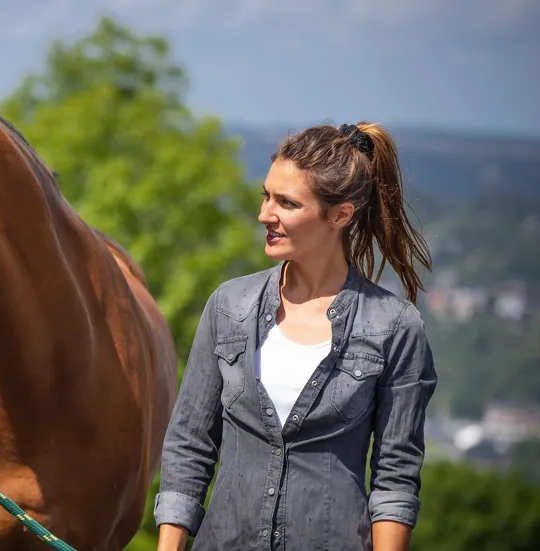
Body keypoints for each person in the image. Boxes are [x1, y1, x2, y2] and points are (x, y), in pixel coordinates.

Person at [154, 122, 437, 551]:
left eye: (287, 203)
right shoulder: (228, 307)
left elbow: (395, 477)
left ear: (340, 214)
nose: (266, 214)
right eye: (266, 196)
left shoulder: (395, 327)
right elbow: (189, 445)